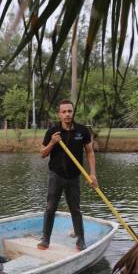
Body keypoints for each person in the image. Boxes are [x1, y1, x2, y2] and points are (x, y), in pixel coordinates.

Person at [38, 100, 97, 251]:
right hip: (56, 176)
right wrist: (52, 143)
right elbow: (42, 154)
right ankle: (45, 240)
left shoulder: (82, 131)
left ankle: (80, 240)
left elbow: (90, 152)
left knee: (75, 209)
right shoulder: (53, 131)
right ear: (59, 114)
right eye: (64, 112)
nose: (67, 114)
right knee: (50, 207)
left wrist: (92, 174)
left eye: (69, 111)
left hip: (74, 177)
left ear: (73, 112)